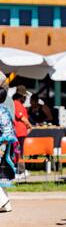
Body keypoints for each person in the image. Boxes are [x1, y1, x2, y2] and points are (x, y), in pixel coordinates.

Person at [0, 83, 18, 213]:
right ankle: (5, 203)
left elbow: (7, 131)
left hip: (1, 144)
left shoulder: (2, 111)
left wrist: (2, 146)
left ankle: (3, 201)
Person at [12, 85, 32, 178]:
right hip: (18, 132)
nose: (25, 98)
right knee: (18, 152)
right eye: (24, 96)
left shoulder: (19, 104)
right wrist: (29, 125)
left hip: (21, 132)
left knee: (19, 152)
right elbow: (22, 117)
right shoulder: (16, 103)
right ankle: (20, 171)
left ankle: (20, 170)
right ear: (21, 96)